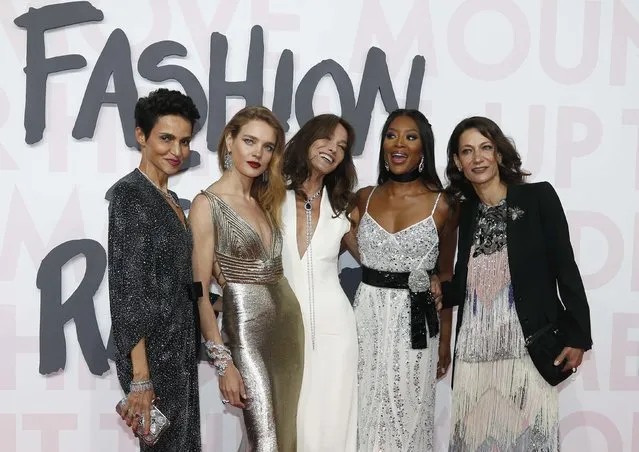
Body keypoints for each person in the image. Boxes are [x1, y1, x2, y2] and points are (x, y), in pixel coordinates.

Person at [441, 116, 592, 451]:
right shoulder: (465, 214)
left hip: (526, 356)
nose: (477, 158)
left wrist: (579, 335)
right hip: (474, 359)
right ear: (457, 162)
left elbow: (565, 267)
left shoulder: (538, 198)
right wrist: (436, 290)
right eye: (467, 151)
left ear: (498, 153)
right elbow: (467, 284)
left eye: (485, 148)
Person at [189, 106, 304, 452]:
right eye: (250, 141)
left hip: (288, 329)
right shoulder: (207, 204)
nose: (258, 153)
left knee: (283, 439)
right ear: (230, 140)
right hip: (247, 337)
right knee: (265, 441)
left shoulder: (265, 202)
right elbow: (198, 291)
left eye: (268, 147)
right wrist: (223, 362)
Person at [351, 109, 456, 451]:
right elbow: (338, 238)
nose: (399, 144)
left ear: (424, 148)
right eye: (391, 135)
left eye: (410, 137)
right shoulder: (363, 197)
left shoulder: (443, 204)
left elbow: (446, 275)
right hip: (365, 315)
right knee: (362, 407)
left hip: (416, 322)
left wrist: (444, 340)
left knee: (409, 411)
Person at [108, 88, 201, 451]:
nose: (176, 151)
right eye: (166, 138)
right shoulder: (130, 195)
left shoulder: (171, 200)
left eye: (184, 141)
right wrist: (141, 379)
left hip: (179, 350)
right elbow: (129, 291)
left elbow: (174, 280)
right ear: (141, 136)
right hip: (154, 359)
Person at [280, 114, 359, 451]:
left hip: (335, 331)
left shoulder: (345, 208)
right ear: (307, 139)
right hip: (281, 328)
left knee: (332, 422)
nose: (333, 149)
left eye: (341, 147)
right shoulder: (268, 195)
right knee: (285, 422)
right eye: (327, 139)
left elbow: (376, 260)